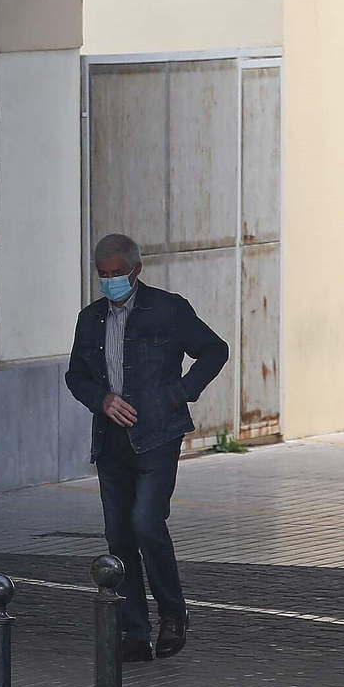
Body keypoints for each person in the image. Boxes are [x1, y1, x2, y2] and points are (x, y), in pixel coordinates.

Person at [65, 233, 229, 662]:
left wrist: (180, 393)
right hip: (111, 439)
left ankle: (173, 615)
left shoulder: (167, 309)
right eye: (103, 274)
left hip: (158, 434)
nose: (110, 281)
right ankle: (134, 631)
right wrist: (102, 399)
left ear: (136, 270)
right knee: (118, 535)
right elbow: (75, 375)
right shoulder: (91, 319)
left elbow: (215, 350)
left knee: (146, 524)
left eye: (117, 273)